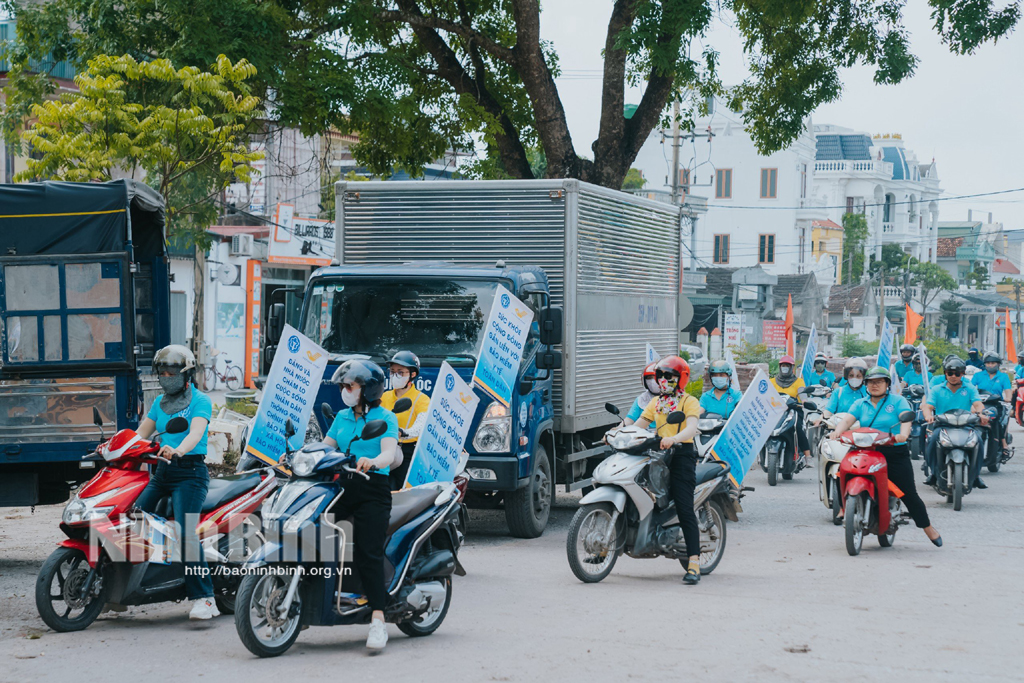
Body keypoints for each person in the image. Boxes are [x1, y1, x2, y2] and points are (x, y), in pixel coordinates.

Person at [134, 345, 217, 620]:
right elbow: (140, 435)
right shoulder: (159, 403)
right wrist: (117, 447)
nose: (165, 377)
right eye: (162, 373)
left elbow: (195, 433)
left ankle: (205, 598)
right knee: (132, 519)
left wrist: (178, 449)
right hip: (162, 473)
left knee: (186, 532)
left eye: (171, 372)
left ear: (186, 375)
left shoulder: (201, 401)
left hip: (190, 474)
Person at [322, 359, 399, 652]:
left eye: (349, 385)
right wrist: (297, 456)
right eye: (343, 385)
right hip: (341, 487)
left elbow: (389, 454)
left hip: (372, 489)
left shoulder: (386, 418)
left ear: (367, 390)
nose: (345, 390)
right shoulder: (341, 417)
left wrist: (373, 461)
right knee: (309, 534)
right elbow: (326, 447)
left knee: (368, 551)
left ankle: (378, 619)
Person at [829, 367, 942, 546]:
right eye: (871, 382)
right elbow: (847, 420)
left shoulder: (898, 401)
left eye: (879, 381)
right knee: (840, 472)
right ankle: (845, 507)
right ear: (866, 385)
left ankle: (927, 527)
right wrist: (837, 432)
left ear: (887, 384)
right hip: (866, 449)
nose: (875, 385)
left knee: (908, 493)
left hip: (893, 452)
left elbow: (906, 420)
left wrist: (903, 434)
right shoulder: (860, 403)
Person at [633, 356, 703, 585]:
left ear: (680, 379)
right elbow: (638, 426)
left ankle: (693, 562)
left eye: (668, 376)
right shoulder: (656, 403)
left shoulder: (688, 401)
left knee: (684, 507)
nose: (663, 380)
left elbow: (691, 427)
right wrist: (615, 433)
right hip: (658, 457)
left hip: (681, 456)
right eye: (660, 376)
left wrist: (674, 439)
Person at [922, 356, 988, 490]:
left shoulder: (969, 388)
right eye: (950, 373)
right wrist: (928, 416)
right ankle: (934, 474)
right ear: (945, 373)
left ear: (962, 374)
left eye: (957, 373)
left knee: (979, 442)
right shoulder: (936, 389)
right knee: (931, 442)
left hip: (966, 425)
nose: (953, 376)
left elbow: (977, 404)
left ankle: (975, 476)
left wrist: (982, 413)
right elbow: (928, 406)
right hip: (942, 425)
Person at [380, 351, 430, 490]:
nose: (395, 375)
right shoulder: (384, 396)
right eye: (392, 371)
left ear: (412, 374)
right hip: (383, 448)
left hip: (406, 451)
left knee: (405, 492)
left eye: (400, 372)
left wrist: (404, 432)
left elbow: (421, 425)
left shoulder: (422, 399)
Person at [770, 355, 811, 465]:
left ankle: (807, 456)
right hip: (776, 411)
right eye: (783, 365)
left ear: (791, 368)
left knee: (797, 427)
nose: (785, 367)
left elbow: (802, 393)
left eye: (787, 366)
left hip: (794, 410)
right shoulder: (772, 381)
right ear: (779, 367)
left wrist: (804, 401)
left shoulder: (798, 381)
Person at [971, 352, 1012, 460]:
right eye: (988, 363)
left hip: (996, 404)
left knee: (998, 421)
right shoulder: (978, 375)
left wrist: (1008, 398)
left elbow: (1008, 390)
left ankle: (1004, 445)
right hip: (980, 404)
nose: (990, 365)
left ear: (998, 364)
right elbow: (970, 389)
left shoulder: (1003, 376)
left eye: (993, 363)